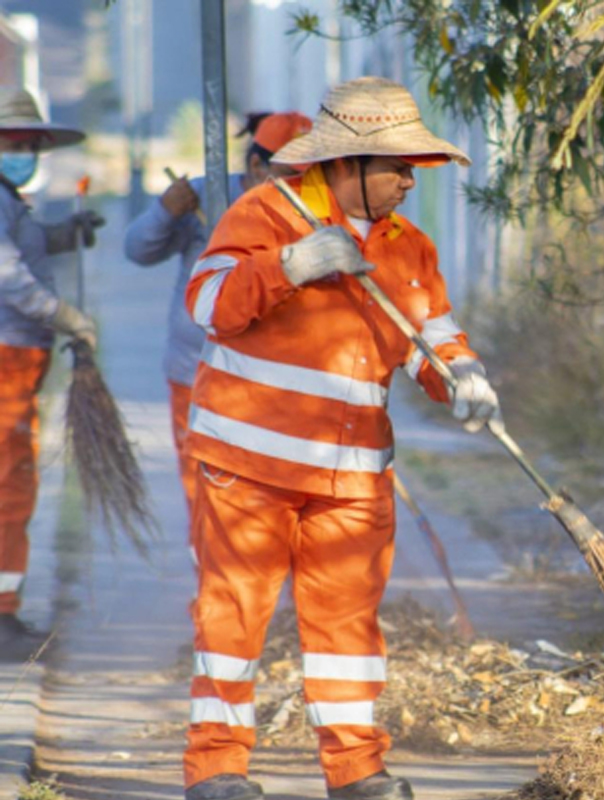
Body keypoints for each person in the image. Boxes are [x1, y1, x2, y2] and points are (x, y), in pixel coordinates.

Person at [181, 77, 502, 800]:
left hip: (353, 473)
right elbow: (207, 301)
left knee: (347, 631)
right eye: (397, 166)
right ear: (347, 164)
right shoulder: (265, 213)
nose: (409, 181)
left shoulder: (409, 247)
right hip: (248, 466)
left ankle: (356, 774)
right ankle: (217, 771)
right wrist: (292, 266)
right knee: (232, 620)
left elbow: (430, 335)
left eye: (415, 166)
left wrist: (462, 374)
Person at [123, 111, 312, 527]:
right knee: (206, 496)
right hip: (197, 375)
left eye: (312, 175)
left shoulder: (313, 215)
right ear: (257, 165)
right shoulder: (205, 197)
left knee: (268, 504)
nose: (302, 187)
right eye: (291, 173)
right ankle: (211, 585)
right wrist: (165, 212)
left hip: (276, 382)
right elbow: (137, 249)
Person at [0, 87, 105, 660]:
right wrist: (65, 316)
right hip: (6, 358)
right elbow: (10, 277)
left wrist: (66, 232)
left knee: (14, 480)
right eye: (12, 142)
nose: (22, 152)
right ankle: (1, 616)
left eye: (29, 143)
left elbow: (23, 247)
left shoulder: (11, 201)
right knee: (8, 485)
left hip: (19, 359)